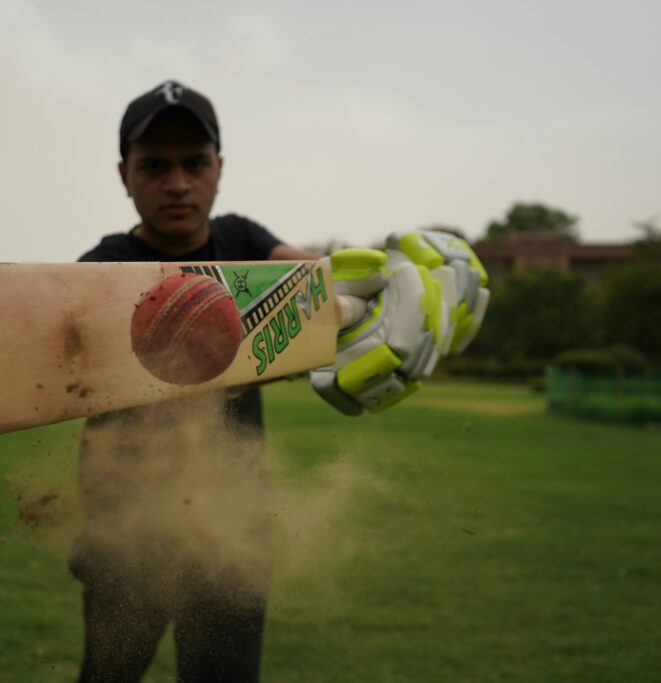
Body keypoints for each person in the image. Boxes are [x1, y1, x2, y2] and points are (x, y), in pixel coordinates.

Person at [71, 80, 489, 682]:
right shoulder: (104, 267)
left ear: (219, 168)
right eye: (154, 166)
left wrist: (401, 301)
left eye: (195, 163)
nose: (178, 183)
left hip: (233, 524)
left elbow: (318, 287)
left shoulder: (241, 239)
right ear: (124, 174)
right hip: (128, 529)